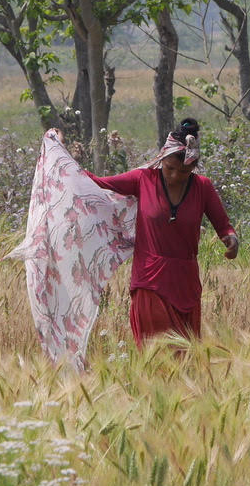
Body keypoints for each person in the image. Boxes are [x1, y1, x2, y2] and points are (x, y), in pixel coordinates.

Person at [84, 118, 239, 347]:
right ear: (161, 158)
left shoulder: (202, 187)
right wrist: (60, 155)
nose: (176, 176)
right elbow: (97, 184)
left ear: (194, 169)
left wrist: (231, 239)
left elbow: (224, 225)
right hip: (150, 279)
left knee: (185, 362)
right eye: (170, 168)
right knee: (158, 355)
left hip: (186, 284)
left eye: (184, 172)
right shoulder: (142, 179)